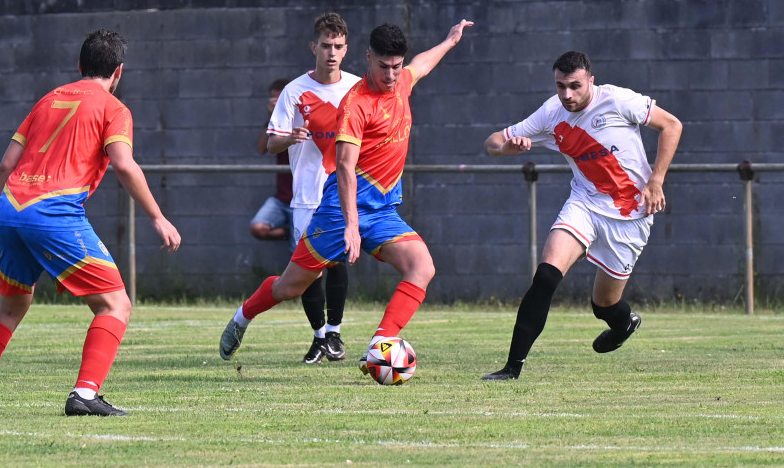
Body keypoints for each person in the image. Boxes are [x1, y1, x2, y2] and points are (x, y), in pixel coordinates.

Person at [0, 29, 181, 416]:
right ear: (119, 72)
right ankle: (85, 395)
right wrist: (157, 217)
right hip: (54, 213)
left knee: (9, 308)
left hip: (10, 209)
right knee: (115, 305)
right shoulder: (114, 108)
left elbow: (7, 164)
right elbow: (123, 163)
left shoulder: (48, 99)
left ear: (79, 65)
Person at [219, 19, 474, 366]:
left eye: (396, 67)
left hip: (382, 211)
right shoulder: (356, 105)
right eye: (383, 66)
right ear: (368, 58)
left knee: (422, 266)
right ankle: (243, 316)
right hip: (339, 212)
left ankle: (381, 344)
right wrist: (352, 225)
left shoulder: (402, 83)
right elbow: (344, 167)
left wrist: (450, 41)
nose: (390, 75)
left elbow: (422, 64)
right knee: (289, 288)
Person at [481, 51, 682, 381]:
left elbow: (672, 125)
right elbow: (492, 142)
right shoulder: (551, 112)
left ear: (591, 80)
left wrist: (656, 180)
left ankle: (623, 322)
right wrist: (507, 147)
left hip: (630, 215)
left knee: (603, 305)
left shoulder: (618, 101)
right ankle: (511, 368)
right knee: (546, 276)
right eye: (560, 86)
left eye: (575, 86)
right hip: (585, 205)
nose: (567, 95)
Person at [266, 12, 361, 364]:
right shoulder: (295, 91)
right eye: (325, 46)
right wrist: (289, 136)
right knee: (308, 268)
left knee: (336, 263)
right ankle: (319, 337)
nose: (331, 53)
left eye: (338, 46)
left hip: (341, 191)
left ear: (346, 49)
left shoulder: (356, 88)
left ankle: (335, 333)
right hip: (305, 194)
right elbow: (271, 142)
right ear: (314, 47)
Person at [250, 78, 294, 245]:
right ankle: (288, 232)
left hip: (303, 199)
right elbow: (261, 149)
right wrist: (272, 117)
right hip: (282, 197)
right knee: (258, 227)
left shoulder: (301, 118)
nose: (275, 102)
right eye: (273, 98)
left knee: (300, 257)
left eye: (280, 98)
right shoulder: (275, 122)